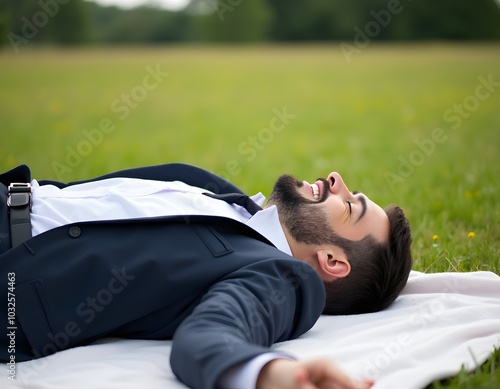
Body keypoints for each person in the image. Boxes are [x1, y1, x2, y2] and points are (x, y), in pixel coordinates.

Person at [0, 162, 413, 389]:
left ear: (332, 261)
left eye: (350, 206)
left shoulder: (278, 276)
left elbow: (212, 336)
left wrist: (275, 375)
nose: (337, 180)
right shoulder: (216, 191)